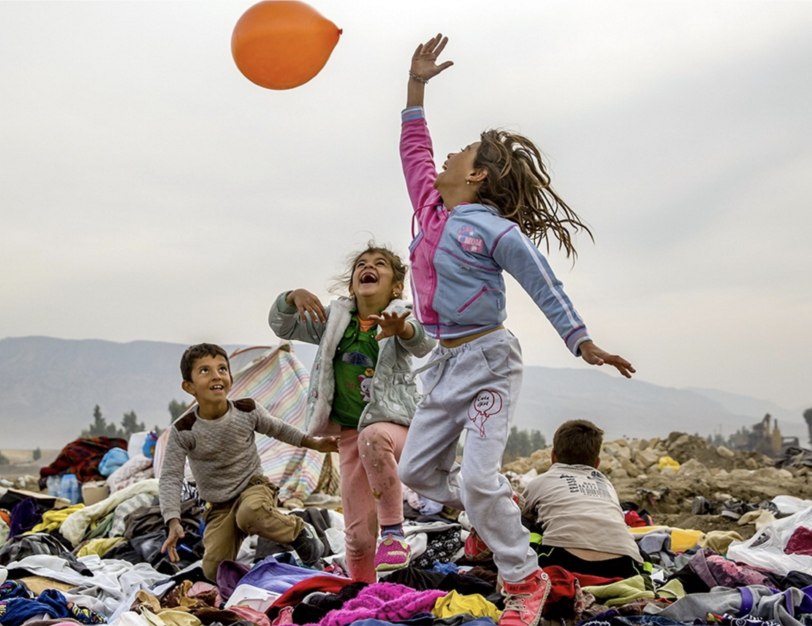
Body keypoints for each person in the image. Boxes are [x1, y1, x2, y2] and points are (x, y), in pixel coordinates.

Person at [395, 34, 636, 626]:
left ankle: (523, 579)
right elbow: (414, 150)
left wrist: (581, 340)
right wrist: (416, 85)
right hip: (444, 364)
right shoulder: (430, 207)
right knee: (416, 474)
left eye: (461, 153)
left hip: (489, 361)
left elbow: (543, 283)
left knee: (475, 476)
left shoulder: (495, 232)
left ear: (477, 177)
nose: (447, 157)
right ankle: (493, 508)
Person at [268, 244, 436, 581]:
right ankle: (363, 596)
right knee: (357, 540)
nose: (367, 267)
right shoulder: (336, 321)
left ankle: (393, 533)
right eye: (361, 264)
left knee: (375, 436)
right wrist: (290, 297)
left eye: (378, 264)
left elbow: (423, 342)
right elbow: (282, 328)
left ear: (396, 286)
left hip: (397, 428)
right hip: (350, 436)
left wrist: (400, 328)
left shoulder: (401, 314)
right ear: (352, 284)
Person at [159, 343, 338, 581]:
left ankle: (298, 531)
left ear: (230, 377)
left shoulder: (247, 410)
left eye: (222, 369)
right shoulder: (184, 429)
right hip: (219, 506)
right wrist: (173, 520)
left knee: (250, 513)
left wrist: (313, 443)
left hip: (254, 489)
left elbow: (278, 429)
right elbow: (171, 476)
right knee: (214, 571)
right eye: (205, 371)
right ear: (188, 386)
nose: (216, 375)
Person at [521, 420, 645, 580]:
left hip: (564, 563)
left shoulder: (541, 481)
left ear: (553, 456)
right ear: (597, 463)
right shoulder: (606, 484)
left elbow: (521, 516)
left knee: (524, 522)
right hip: (624, 566)